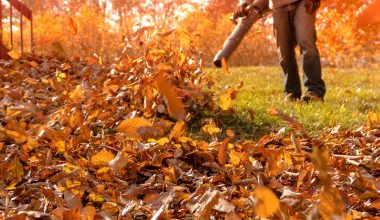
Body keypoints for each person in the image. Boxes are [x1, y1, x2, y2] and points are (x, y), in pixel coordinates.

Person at [235, 0, 326, 102]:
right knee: (284, 49)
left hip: (303, 2)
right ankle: (292, 93)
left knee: (306, 40)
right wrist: (245, 3)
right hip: (278, 6)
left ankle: (315, 91)